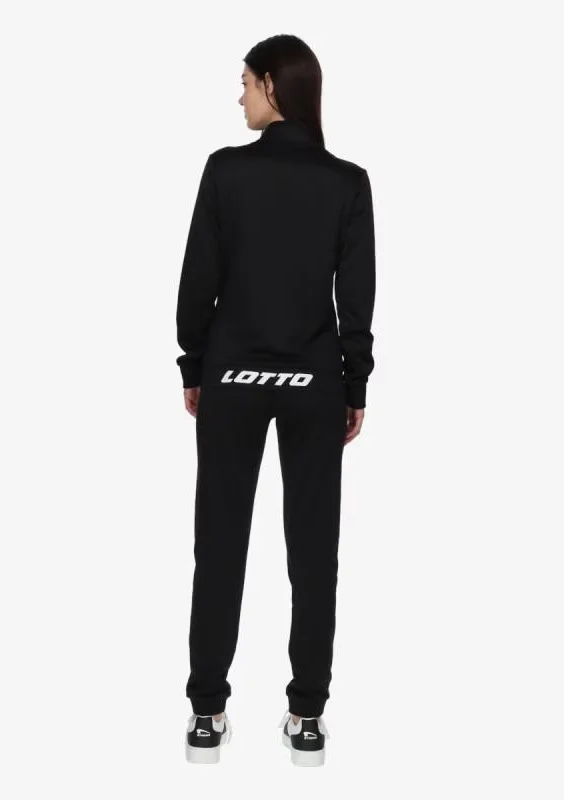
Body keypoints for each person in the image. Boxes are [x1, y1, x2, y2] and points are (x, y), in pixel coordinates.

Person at [177, 34, 376, 767]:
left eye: (245, 83)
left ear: (271, 84)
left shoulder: (226, 172)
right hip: (314, 383)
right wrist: (354, 382)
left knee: (219, 544)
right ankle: (307, 717)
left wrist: (195, 364)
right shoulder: (347, 183)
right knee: (314, 551)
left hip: (231, 377)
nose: (239, 97)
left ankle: (206, 715)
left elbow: (199, 278)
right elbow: (357, 296)